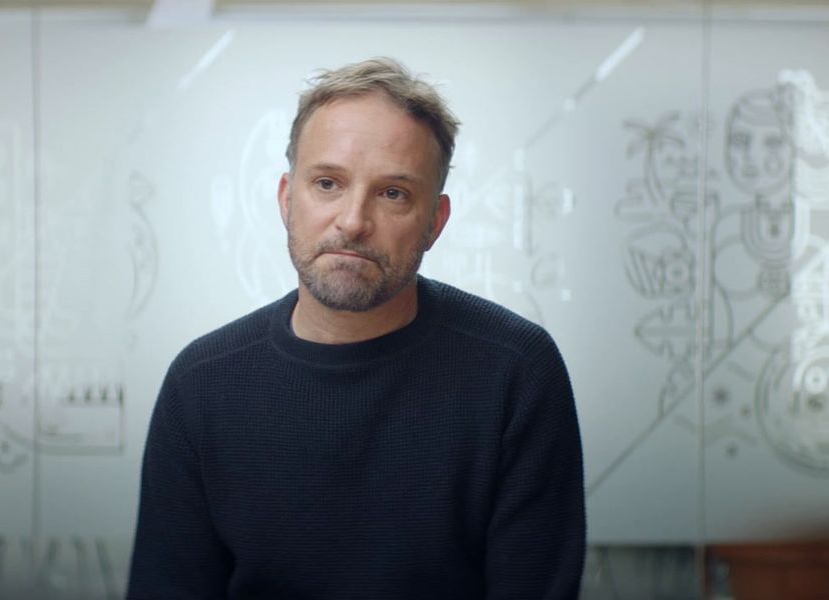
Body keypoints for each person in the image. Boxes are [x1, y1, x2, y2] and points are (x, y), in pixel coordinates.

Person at [127, 57, 585, 599]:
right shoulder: (201, 384)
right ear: (285, 198)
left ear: (435, 222)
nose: (352, 220)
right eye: (327, 183)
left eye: (393, 193)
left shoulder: (516, 372)